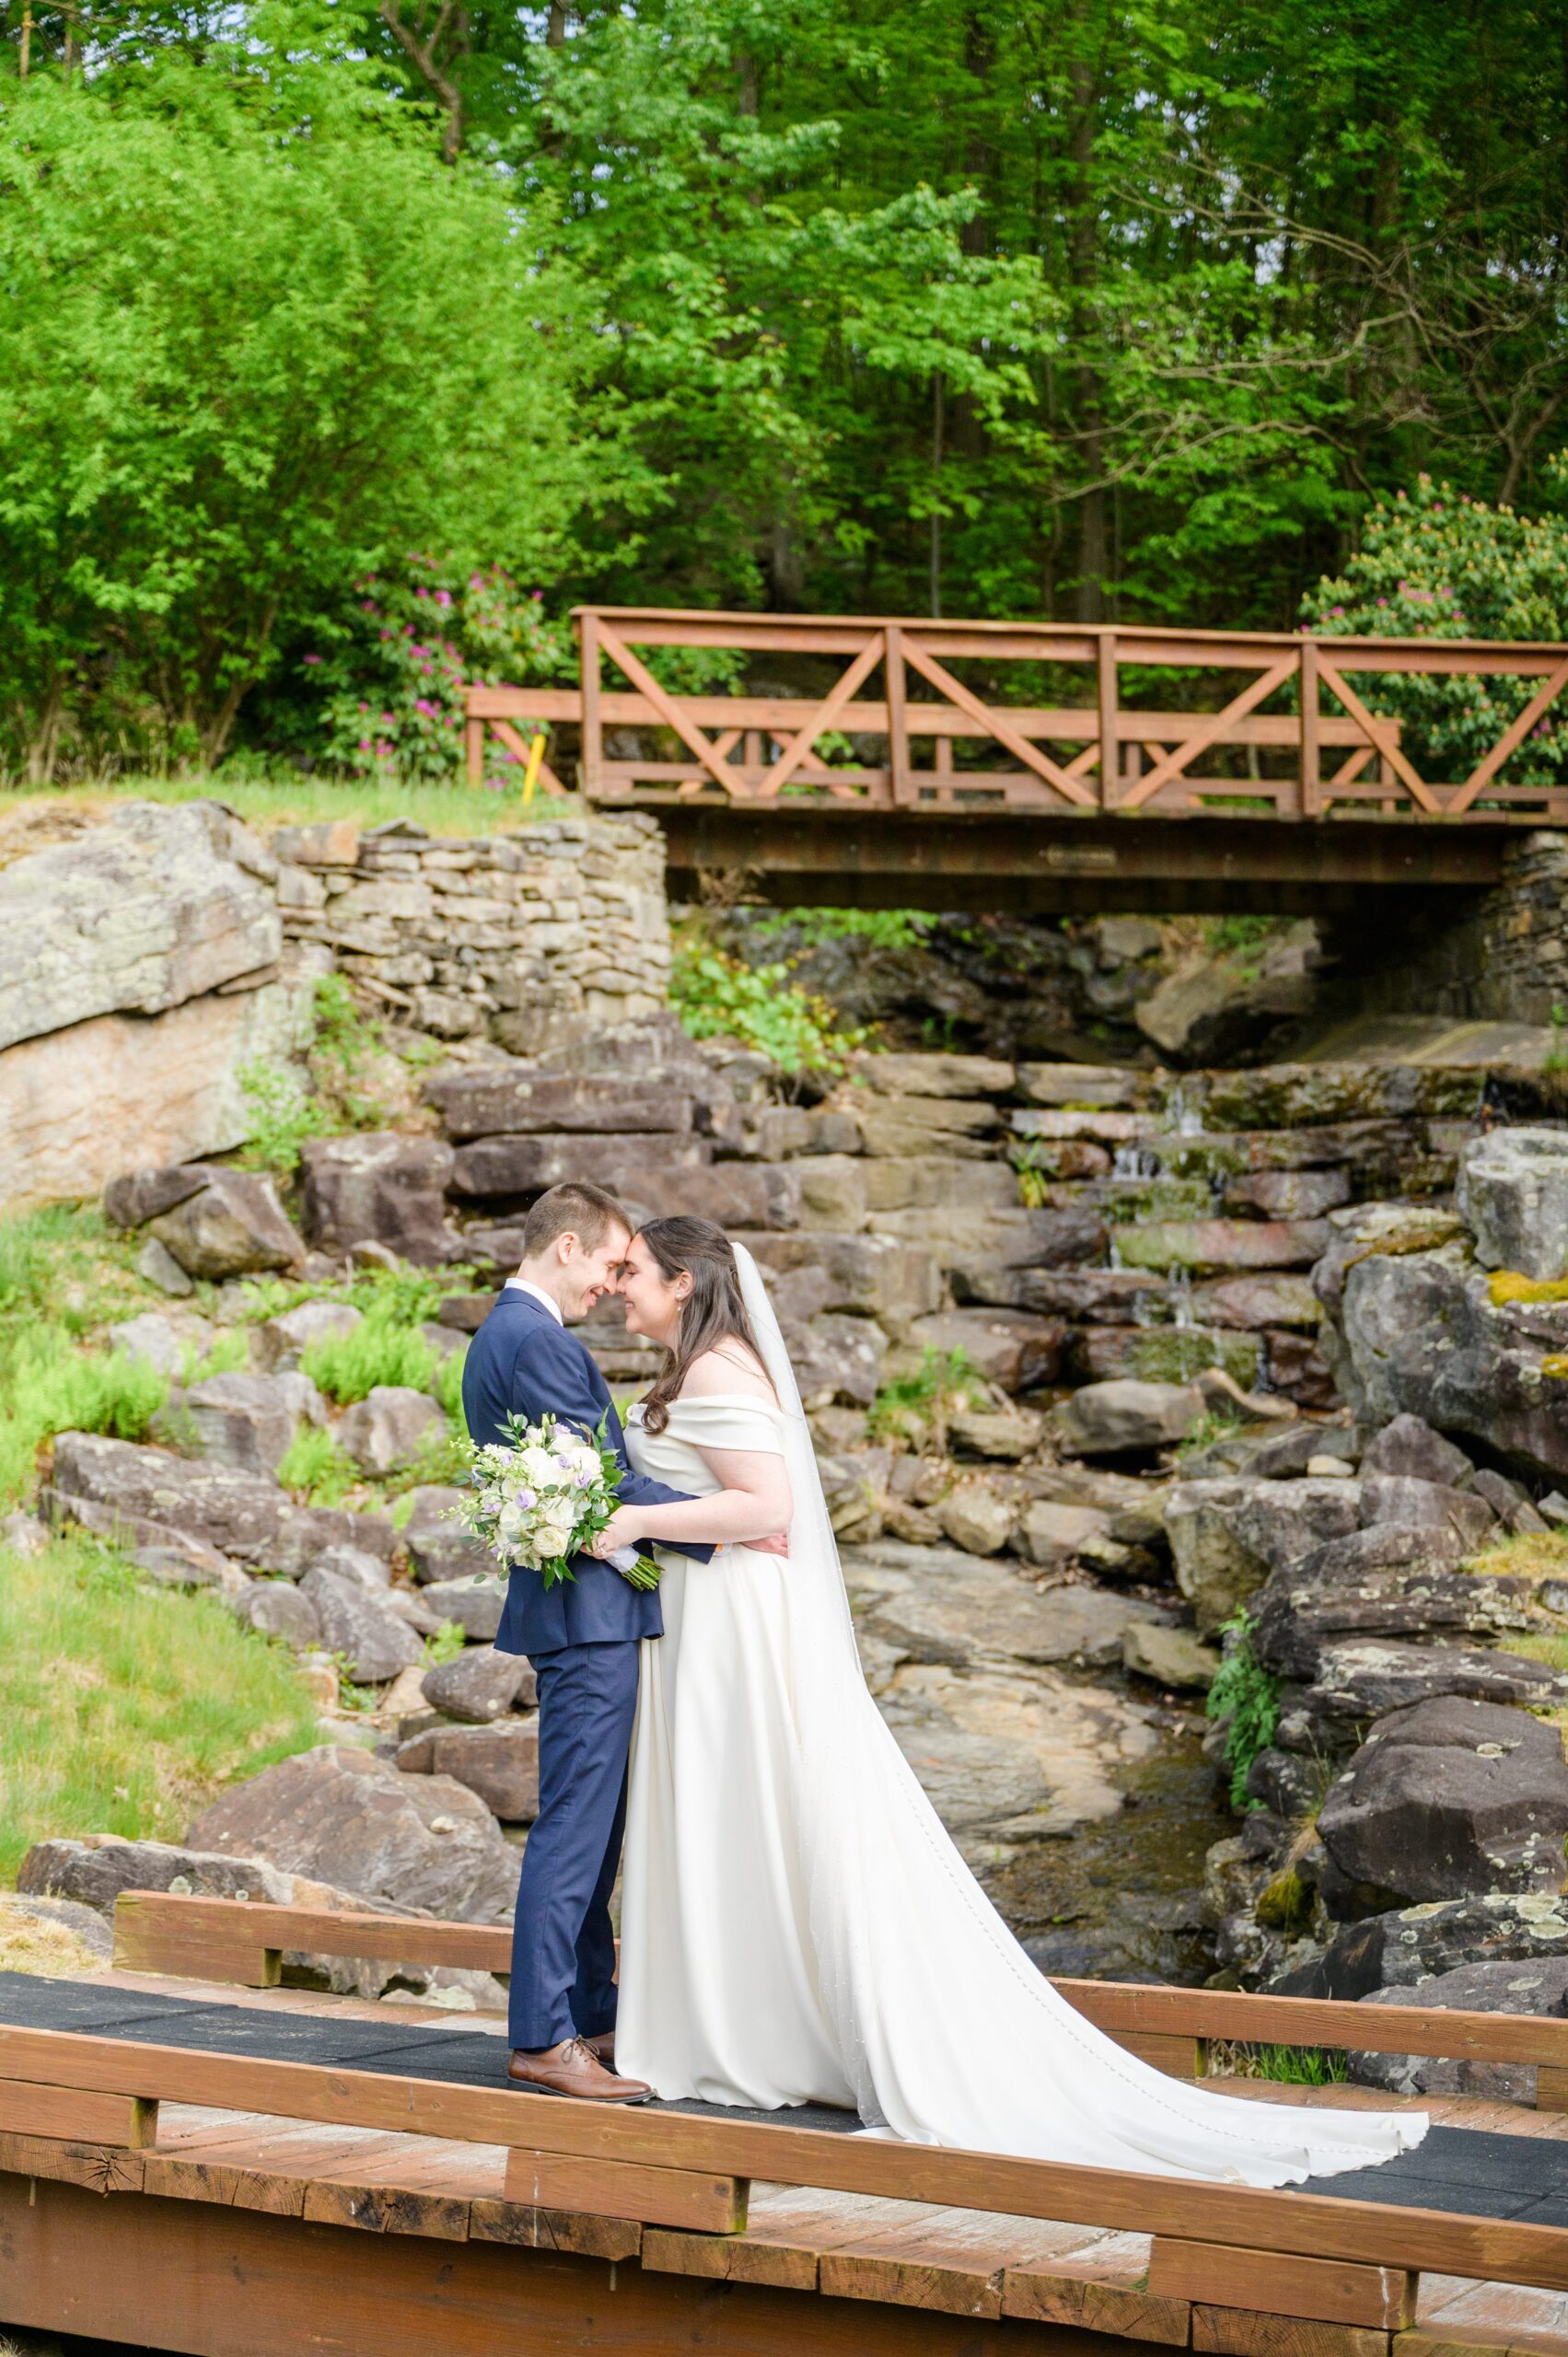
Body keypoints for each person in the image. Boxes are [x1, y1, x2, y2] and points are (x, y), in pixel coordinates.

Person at [586, 1214, 1430, 2185]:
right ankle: (741, 2022)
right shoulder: (710, 1365)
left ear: (684, 1281)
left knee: (759, 1813)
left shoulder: (719, 1370)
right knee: (743, 1822)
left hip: (735, 1628)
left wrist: (637, 1516)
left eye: (634, 1271)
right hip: (718, 1618)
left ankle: (752, 2029)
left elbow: (766, 1508)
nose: (620, 1287)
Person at [461, 1182, 786, 2107]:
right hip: (588, 1616)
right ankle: (543, 2036)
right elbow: (600, 1486)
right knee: (573, 1827)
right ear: (565, 1247)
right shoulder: (539, 1345)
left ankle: (590, 2014)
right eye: (609, 1265)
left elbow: (587, 1483)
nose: (611, 1286)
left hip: (585, 1612)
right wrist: (727, 1523)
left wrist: (712, 1518)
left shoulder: (501, 1338)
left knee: (592, 1831)